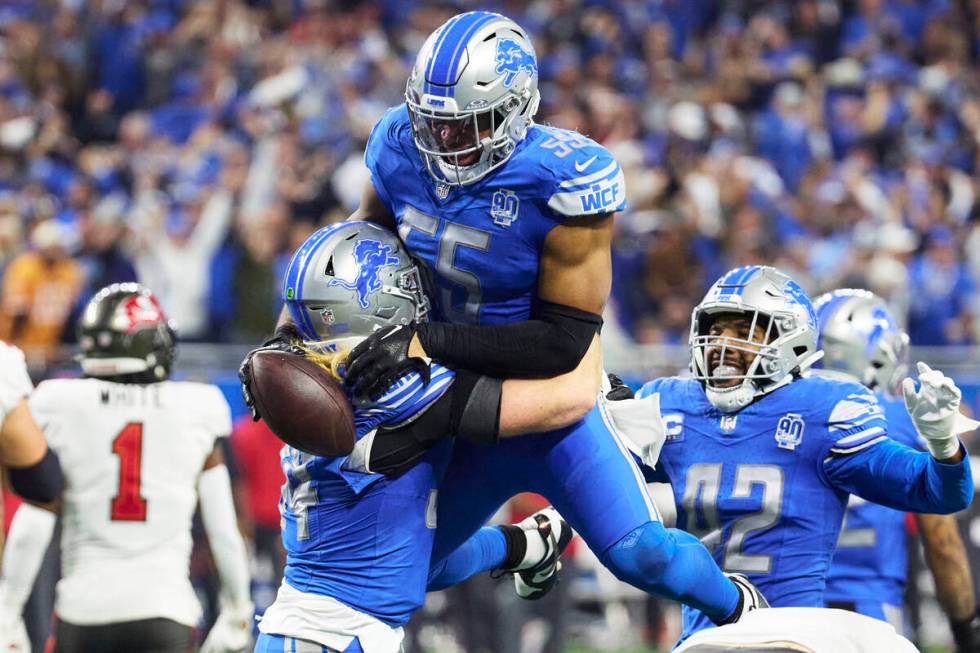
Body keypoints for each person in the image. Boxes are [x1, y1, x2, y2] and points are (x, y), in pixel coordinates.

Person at [286, 10, 765, 626]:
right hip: (444, 384)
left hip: (541, 402)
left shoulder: (560, 178)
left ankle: (744, 610)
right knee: (412, 564)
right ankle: (527, 545)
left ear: (515, 113)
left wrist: (424, 340)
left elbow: (562, 343)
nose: (442, 143)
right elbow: (363, 245)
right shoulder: (398, 144)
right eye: (431, 122)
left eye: (465, 127)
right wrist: (293, 335)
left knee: (639, 555)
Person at [244, 221, 585, 653]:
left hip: (322, 631)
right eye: (407, 284)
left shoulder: (313, 379)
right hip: (331, 636)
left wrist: (517, 545)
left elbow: (419, 557)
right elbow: (561, 401)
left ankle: (525, 543)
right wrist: (590, 360)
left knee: (414, 539)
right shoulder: (397, 393)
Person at [633, 265, 974, 643]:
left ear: (788, 341)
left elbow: (940, 493)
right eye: (714, 330)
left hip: (793, 636)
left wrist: (944, 445)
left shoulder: (820, 411)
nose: (721, 345)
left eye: (743, 331)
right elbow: (596, 484)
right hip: (704, 638)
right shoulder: (670, 404)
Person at [0, 283, 253, 653]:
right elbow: (224, 532)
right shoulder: (197, 406)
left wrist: (7, 616)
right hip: (165, 610)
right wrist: (238, 613)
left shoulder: (61, 403)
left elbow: (34, 522)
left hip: (84, 611)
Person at [815, 288, 980, 650]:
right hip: (866, 615)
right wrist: (967, 631)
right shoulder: (899, 420)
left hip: (781, 611)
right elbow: (944, 546)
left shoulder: (776, 414)